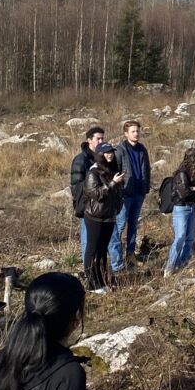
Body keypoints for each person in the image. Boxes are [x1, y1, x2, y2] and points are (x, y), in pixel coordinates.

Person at [81, 143, 125, 294]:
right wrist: (113, 183)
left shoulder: (112, 170)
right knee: (92, 250)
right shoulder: (93, 173)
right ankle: (92, 284)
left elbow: (116, 192)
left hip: (109, 216)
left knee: (102, 251)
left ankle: (102, 281)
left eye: (111, 152)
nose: (110, 155)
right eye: (106, 153)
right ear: (100, 154)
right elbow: (97, 194)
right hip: (95, 217)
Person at [110, 120, 151, 273]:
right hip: (125, 194)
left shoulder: (142, 149)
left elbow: (147, 169)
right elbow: (116, 172)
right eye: (133, 131)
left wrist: (146, 188)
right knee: (120, 225)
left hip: (139, 192)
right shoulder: (120, 150)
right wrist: (120, 190)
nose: (136, 134)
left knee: (133, 224)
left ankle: (130, 254)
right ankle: (116, 257)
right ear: (126, 133)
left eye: (138, 131)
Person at [165, 147, 195, 276]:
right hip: (181, 208)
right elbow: (184, 193)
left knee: (190, 238)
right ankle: (170, 267)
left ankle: (182, 264)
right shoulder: (181, 173)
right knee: (180, 237)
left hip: (192, 207)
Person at [70, 126, 105, 264]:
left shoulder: (103, 157)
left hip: (101, 205)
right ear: (89, 140)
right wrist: (85, 204)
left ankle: (98, 269)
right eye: (98, 138)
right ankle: (87, 270)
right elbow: (77, 186)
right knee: (88, 240)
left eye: (103, 138)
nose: (101, 141)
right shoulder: (81, 160)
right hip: (88, 206)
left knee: (99, 239)